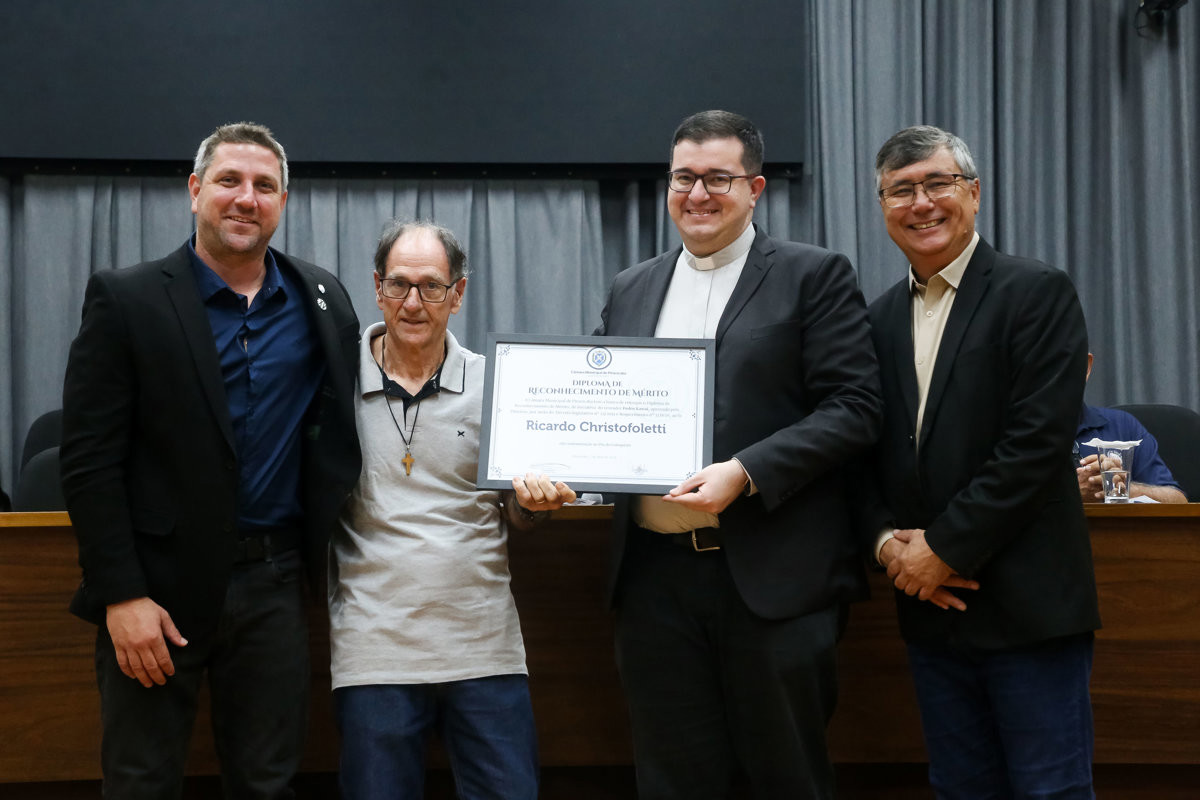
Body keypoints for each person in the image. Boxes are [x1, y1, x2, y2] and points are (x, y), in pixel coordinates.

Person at [60, 122, 361, 798]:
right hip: (154, 596)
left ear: (284, 201)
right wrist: (121, 594)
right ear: (195, 191)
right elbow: (88, 461)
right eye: (229, 181)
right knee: (141, 783)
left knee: (268, 784)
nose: (245, 198)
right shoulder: (127, 298)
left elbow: (336, 432)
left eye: (264, 186)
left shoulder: (322, 297)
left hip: (276, 588)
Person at [593, 110, 882, 799]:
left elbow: (855, 407)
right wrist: (552, 469)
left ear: (755, 188)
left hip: (772, 581)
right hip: (654, 584)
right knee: (672, 780)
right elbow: (602, 412)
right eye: (683, 178)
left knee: (786, 778)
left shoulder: (814, 275)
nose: (697, 194)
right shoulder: (632, 286)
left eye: (717, 178)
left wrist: (746, 472)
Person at [862, 125, 1100, 798]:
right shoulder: (875, 321)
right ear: (882, 207)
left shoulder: (1036, 292)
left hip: (1029, 608)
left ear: (972, 193)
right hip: (930, 609)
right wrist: (891, 548)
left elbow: (1035, 444)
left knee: (1049, 791)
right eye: (901, 190)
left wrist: (945, 547)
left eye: (938, 184)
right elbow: (863, 454)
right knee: (960, 790)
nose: (921, 204)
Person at [329, 220, 576, 800]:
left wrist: (535, 507)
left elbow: (519, 514)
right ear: (377, 288)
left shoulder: (502, 388)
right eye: (399, 285)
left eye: (431, 286)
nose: (413, 302)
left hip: (484, 647)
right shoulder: (331, 384)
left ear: (458, 294)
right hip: (375, 653)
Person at [1075, 353, 1186, 503]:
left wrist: (1122, 488)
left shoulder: (1123, 425)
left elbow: (1179, 501)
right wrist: (1074, 493)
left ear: (1085, 367)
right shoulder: (1032, 433)